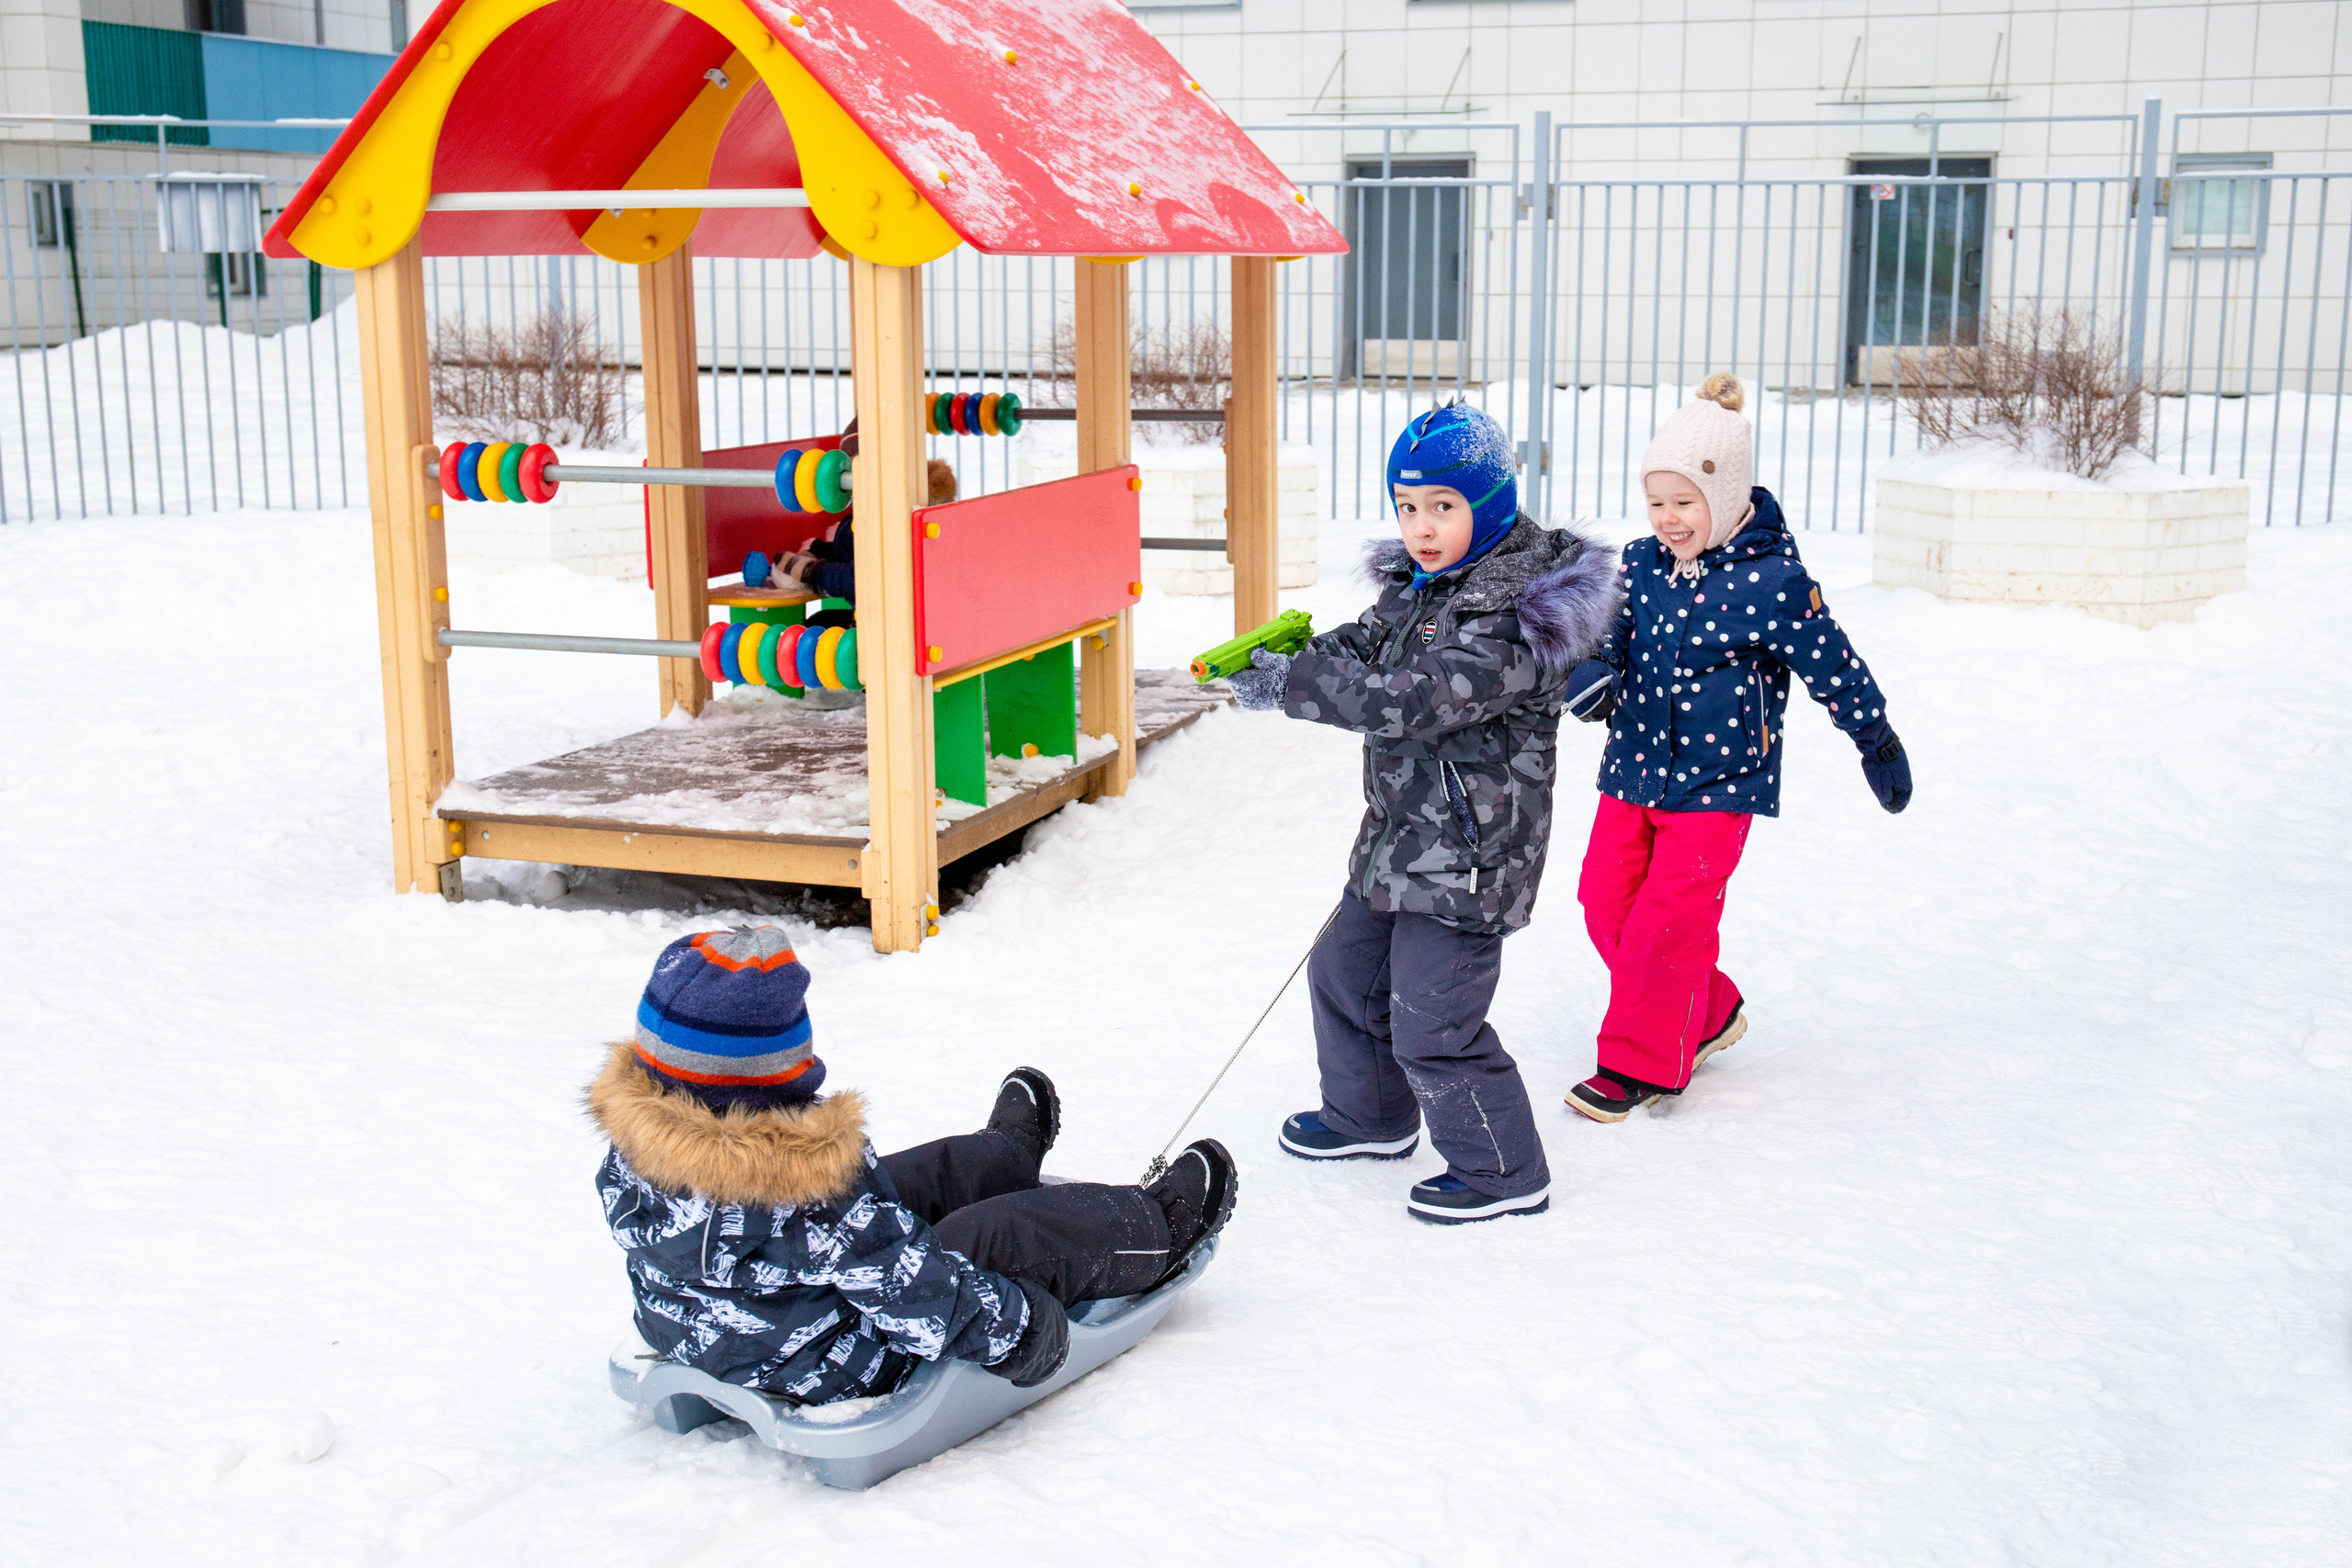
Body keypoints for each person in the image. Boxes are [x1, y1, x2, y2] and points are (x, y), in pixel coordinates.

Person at [1225, 402, 1621, 1224]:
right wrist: (1290, 659)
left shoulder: (1520, 616)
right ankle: (1369, 1116)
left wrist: (1296, 691)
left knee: (1432, 1018)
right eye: (1407, 507)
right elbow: (1368, 646)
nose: (1421, 527)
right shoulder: (1422, 586)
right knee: (1344, 974)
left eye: (1443, 506)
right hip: (1399, 841)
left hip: (1474, 856)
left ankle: (1504, 1169)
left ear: (1491, 502)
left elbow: (1417, 697)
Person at [589, 926, 1236, 1405]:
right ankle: (1153, 1228)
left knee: (890, 1190)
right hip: (837, 1363)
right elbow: (925, 1295)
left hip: (697, 1333)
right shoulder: (818, 1199)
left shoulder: (631, 1152)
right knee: (993, 1237)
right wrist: (1022, 1330)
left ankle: (1000, 1156)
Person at [1559, 374, 1913, 1122]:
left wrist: (1874, 738)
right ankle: (1709, 1007)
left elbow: (1834, 665)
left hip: (1721, 781)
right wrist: (1595, 671)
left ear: (1724, 498)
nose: (1668, 519)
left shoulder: (1773, 582)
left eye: (1684, 502)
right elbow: (1612, 638)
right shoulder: (1641, 564)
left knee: (1668, 923)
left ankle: (1638, 1063)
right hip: (1634, 766)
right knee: (1603, 902)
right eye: (1657, 502)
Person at [766, 418, 958, 625]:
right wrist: (819, 550)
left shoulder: (902, 520)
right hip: (889, 616)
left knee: (817, 630)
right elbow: (853, 547)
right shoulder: (889, 511)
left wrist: (812, 573)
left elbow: (863, 577)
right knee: (819, 622)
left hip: (901, 626)